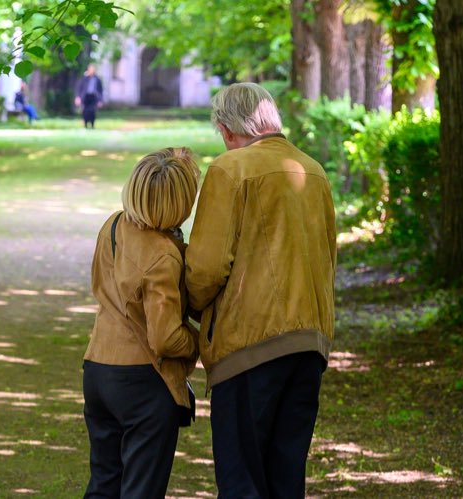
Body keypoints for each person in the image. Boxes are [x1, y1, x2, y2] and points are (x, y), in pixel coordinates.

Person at [182, 82, 337, 498]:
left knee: (242, 479)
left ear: (228, 129)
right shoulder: (314, 171)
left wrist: (192, 309)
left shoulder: (229, 170)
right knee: (287, 479)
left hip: (248, 344)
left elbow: (206, 267)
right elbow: (327, 257)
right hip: (309, 343)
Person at [83, 147, 202, 498]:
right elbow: (164, 338)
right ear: (180, 202)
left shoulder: (114, 225)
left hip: (97, 369)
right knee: (141, 491)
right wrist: (198, 342)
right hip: (142, 382)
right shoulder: (163, 255)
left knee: (104, 484)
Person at [75, 64, 104, 129]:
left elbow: (100, 90)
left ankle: (92, 125)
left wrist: (100, 100)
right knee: (85, 111)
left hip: (94, 97)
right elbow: (80, 88)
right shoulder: (84, 78)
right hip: (85, 97)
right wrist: (78, 97)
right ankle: (85, 125)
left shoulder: (97, 79)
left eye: (93, 69)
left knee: (92, 111)